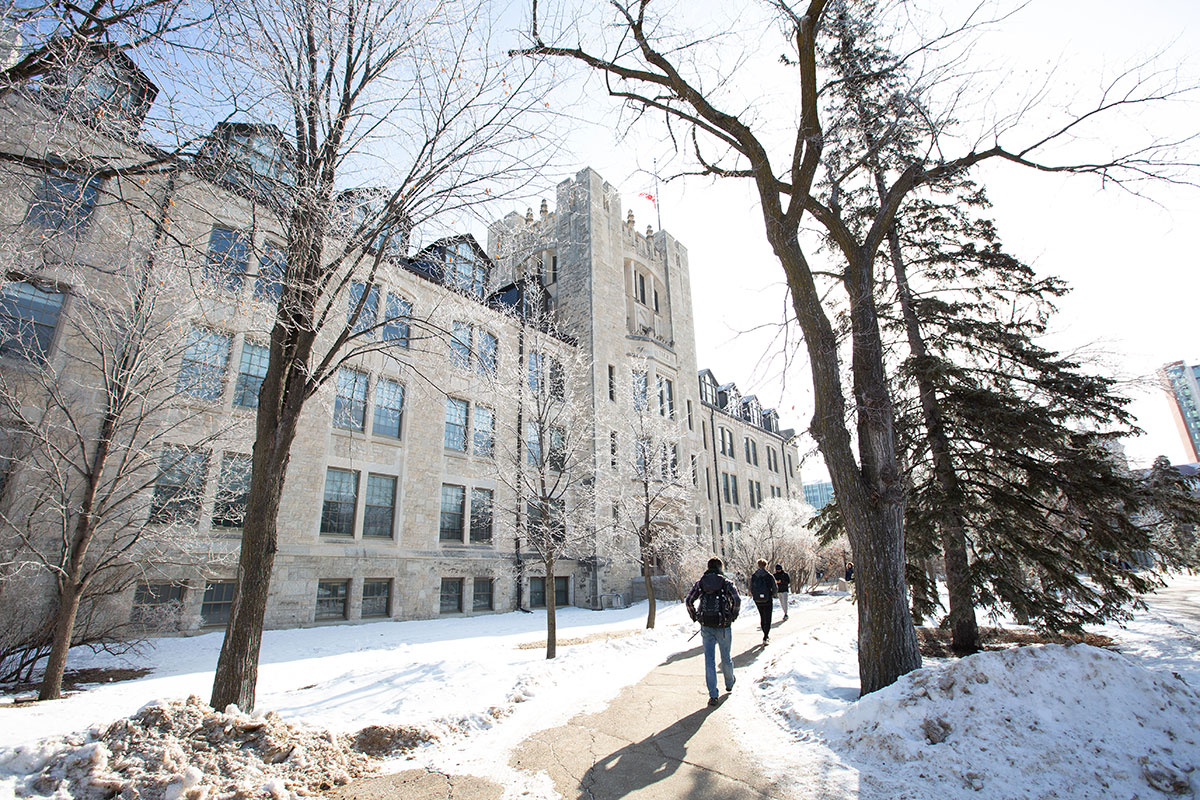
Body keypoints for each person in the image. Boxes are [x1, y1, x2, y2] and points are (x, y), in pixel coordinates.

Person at [686, 557, 741, 706]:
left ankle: (713, 695)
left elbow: (689, 600)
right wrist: (732, 615)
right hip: (723, 625)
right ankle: (729, 683)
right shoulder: (726, 582)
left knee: (709, 660)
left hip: (706, 625)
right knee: (726, 657)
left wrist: (695, 616)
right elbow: (737, 599)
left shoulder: (701, 583)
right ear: (720, 567)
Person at [749, 558, 777, 644]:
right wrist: (772, 594)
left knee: (762, 615)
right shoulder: (769, 576)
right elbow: (775, 588)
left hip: (757, 600)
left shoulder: (754, 576)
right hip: (767, 599)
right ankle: (766, 635)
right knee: (767, 617)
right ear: (766, 565)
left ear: (758, 566)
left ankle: (764, 631)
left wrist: (754, 595)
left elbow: (751, 587)